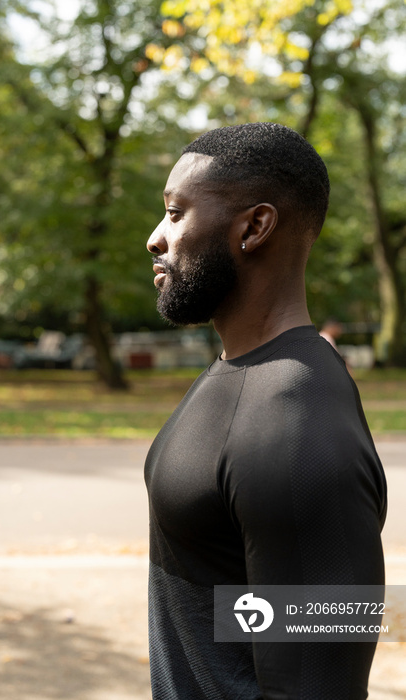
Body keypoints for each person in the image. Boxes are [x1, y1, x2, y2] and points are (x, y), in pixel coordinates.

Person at [144, 122, 387, 699]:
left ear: (254, 227)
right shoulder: (241, 372)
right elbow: (235, 613)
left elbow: (316, 685)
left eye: (176, 213)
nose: (156, 237)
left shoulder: (295, 424)